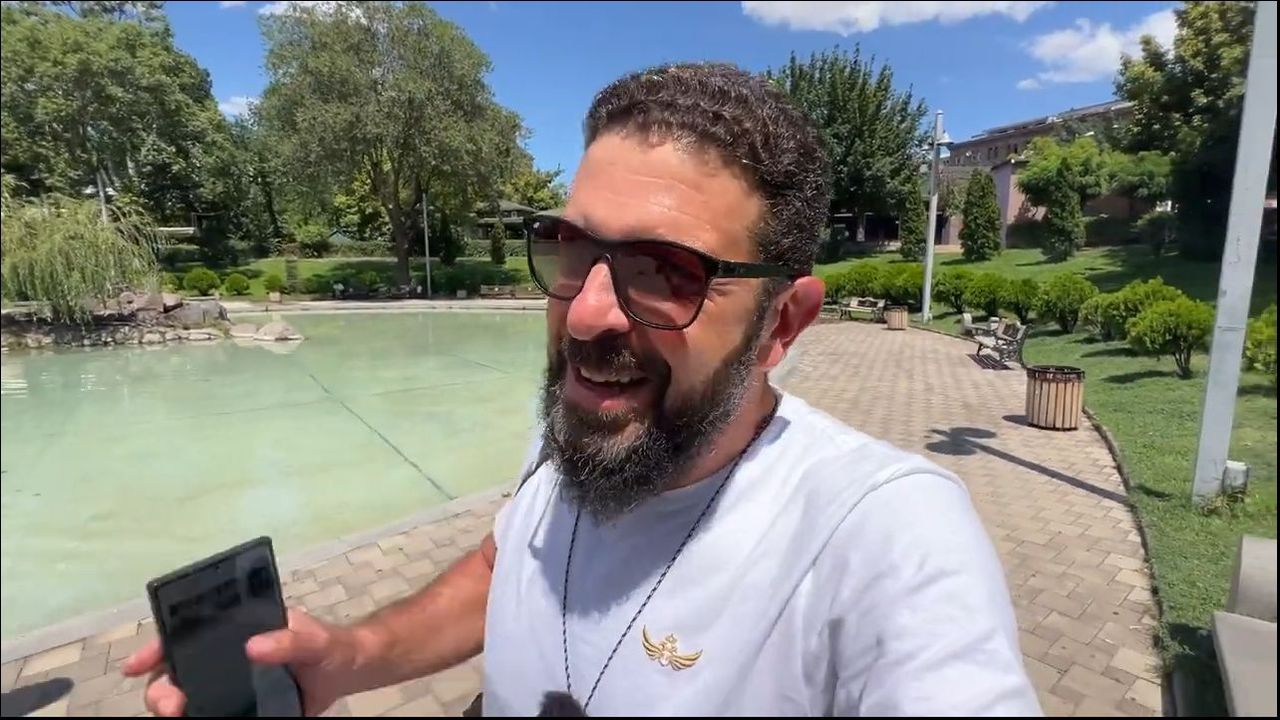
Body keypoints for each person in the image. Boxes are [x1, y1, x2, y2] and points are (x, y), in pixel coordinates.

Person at [126, 63, 1040, 716]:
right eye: (573, 249)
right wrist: (351, 658)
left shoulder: (885, 536)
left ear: (783, 325)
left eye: (667, 271)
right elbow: (506, 568)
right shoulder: (589, 428)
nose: (588, 314)